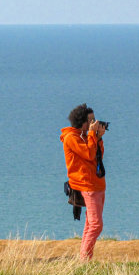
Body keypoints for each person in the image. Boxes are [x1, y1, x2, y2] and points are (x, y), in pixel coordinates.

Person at [60, 104, 106, 260]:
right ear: (82, 122)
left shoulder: (85, 136)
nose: (94, 123)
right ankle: (85, 260)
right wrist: (93, 135)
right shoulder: (71, 138)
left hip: (97, 184)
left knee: (90, 224)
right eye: (91, 120)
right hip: (87, 185)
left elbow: (97, 155)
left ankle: (84, 259)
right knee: (96, 225)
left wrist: (97, 137)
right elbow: (88, 153)